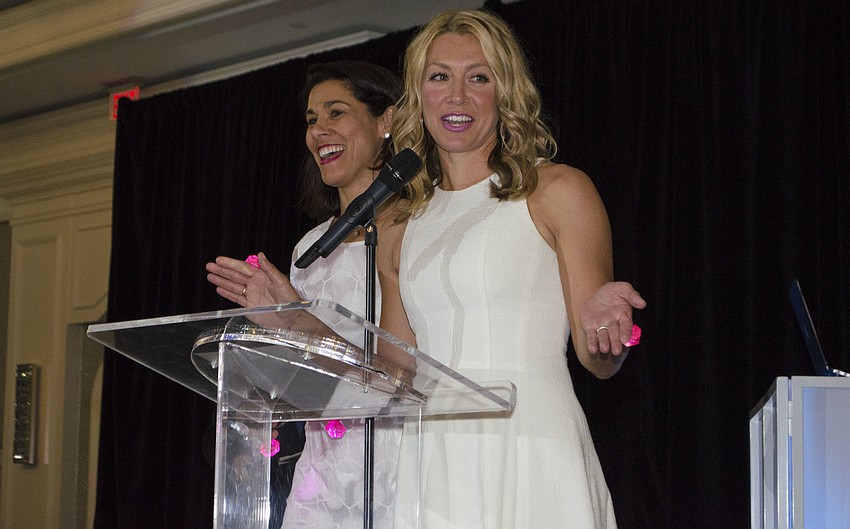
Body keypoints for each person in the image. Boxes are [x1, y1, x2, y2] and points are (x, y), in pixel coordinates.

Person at [376, 9, 647, 529]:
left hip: (529, 436)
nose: (457, 97)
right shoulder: (397, 222)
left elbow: (598, 360)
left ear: (506, 92)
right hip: (433, 455)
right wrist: (296, 321)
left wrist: (609, 333)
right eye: (440, 77)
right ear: (418, 95)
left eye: (479, 77)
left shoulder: (558, 190)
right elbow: (395, 370)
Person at [205, 60, 405, 529]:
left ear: (386, 120)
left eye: (336, 112)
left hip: (399, 459)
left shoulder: (419, 228)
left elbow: (402, 370)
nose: (319, 131)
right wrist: (268, 349)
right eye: (312, 120)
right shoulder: (308, 251)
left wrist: (297, 317)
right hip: (323, 473)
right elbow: (308, 376)